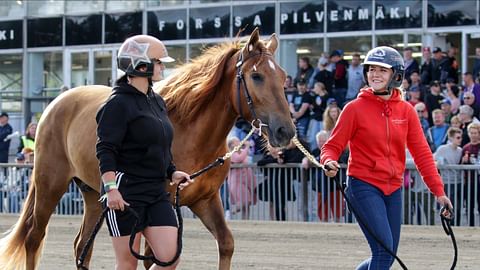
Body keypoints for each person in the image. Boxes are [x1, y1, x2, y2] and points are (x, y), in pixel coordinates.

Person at [320, 46, 452, 269]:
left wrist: (439, 192)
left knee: (388, 255)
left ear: (396, 75)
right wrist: (328, 161)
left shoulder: (407, 111)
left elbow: (422, 155)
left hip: (394, 188)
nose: (375, 74)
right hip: (363, 185)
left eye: (382, 70)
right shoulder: (353, 109)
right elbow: (331, 147)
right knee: (383, 251)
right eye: (371, 69)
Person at [95, 35, 194, 270]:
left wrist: (172, 172)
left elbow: (160, 144)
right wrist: (111, 190)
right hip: (124, 193)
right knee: (128, 265)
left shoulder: (156, 101)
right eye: (159, 62)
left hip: (155, 191)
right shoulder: (116, 105)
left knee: (170, 258)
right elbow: (105, 150)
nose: (163, 67)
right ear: (141, 65)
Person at [434, 127, 463, 226]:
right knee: (450, 205)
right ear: (451, 138)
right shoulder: (442, 149)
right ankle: (449, 225)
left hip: (458, 181)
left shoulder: (460, 150)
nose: (460, 139)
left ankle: (456, 225)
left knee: (458, 206)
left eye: (460, 137)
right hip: (447, 181)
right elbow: (434, 159)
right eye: (458, 137)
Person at [227, 137, 257, 219]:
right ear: (232, 144)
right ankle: (232, 211)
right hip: (237, 181)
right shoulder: (231, 153)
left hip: (246, 181)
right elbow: (238, 159)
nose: (240, 142)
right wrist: (247, 147)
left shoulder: (241, 152)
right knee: (244, 201)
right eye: (237, 142)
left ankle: (245, 220)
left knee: (247, 203)